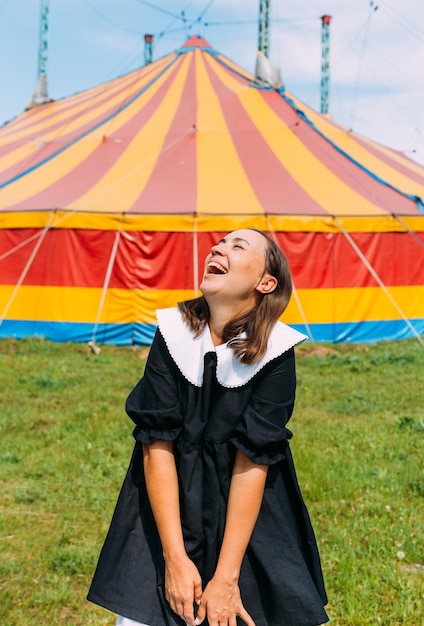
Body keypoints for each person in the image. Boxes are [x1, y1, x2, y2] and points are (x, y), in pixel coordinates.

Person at [87, 228, 329, 626]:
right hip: (169, 503)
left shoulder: (277, 352)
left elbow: (253, 461)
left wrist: (227, 576)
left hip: (245, 517)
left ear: (265, 283)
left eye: (239, 246)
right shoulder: (172, 334)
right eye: (220, 242)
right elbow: (156, 444)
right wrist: (174, 558)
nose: (218, 247)